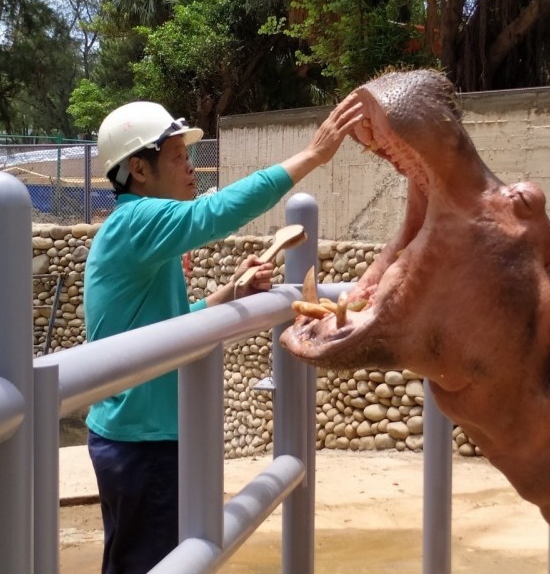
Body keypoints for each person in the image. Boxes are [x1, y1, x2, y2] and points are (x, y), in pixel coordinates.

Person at [84, 98, 362, 574]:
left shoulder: (139, 234)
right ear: (139, 169)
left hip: (132, 437)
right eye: (177, 157)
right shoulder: (137, 220)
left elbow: (171, 324)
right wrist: (313, 156)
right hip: (145, 442)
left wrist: (232, 290)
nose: (191, 170)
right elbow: (217, 213)